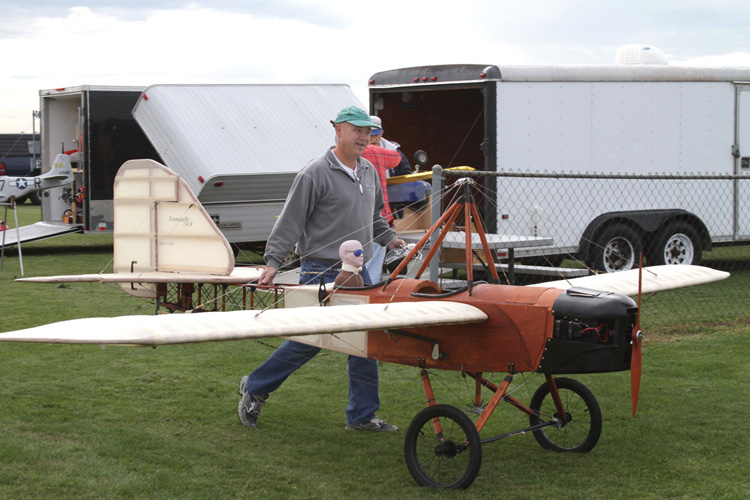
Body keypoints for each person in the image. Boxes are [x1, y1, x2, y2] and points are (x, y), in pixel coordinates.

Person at [238, 105, 406, 431]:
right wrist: (273, 261)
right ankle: (255, 386)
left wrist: (391, 239)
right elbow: (291, 221)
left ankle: (361, 416)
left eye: (367, 131)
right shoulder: (314, 173)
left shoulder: (369, 171)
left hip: (359, 271)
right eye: (356, 130)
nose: (363, 136)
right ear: (337, 129)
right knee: (310, 340)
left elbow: (373, 219)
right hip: (321, 270)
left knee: (363, 342)